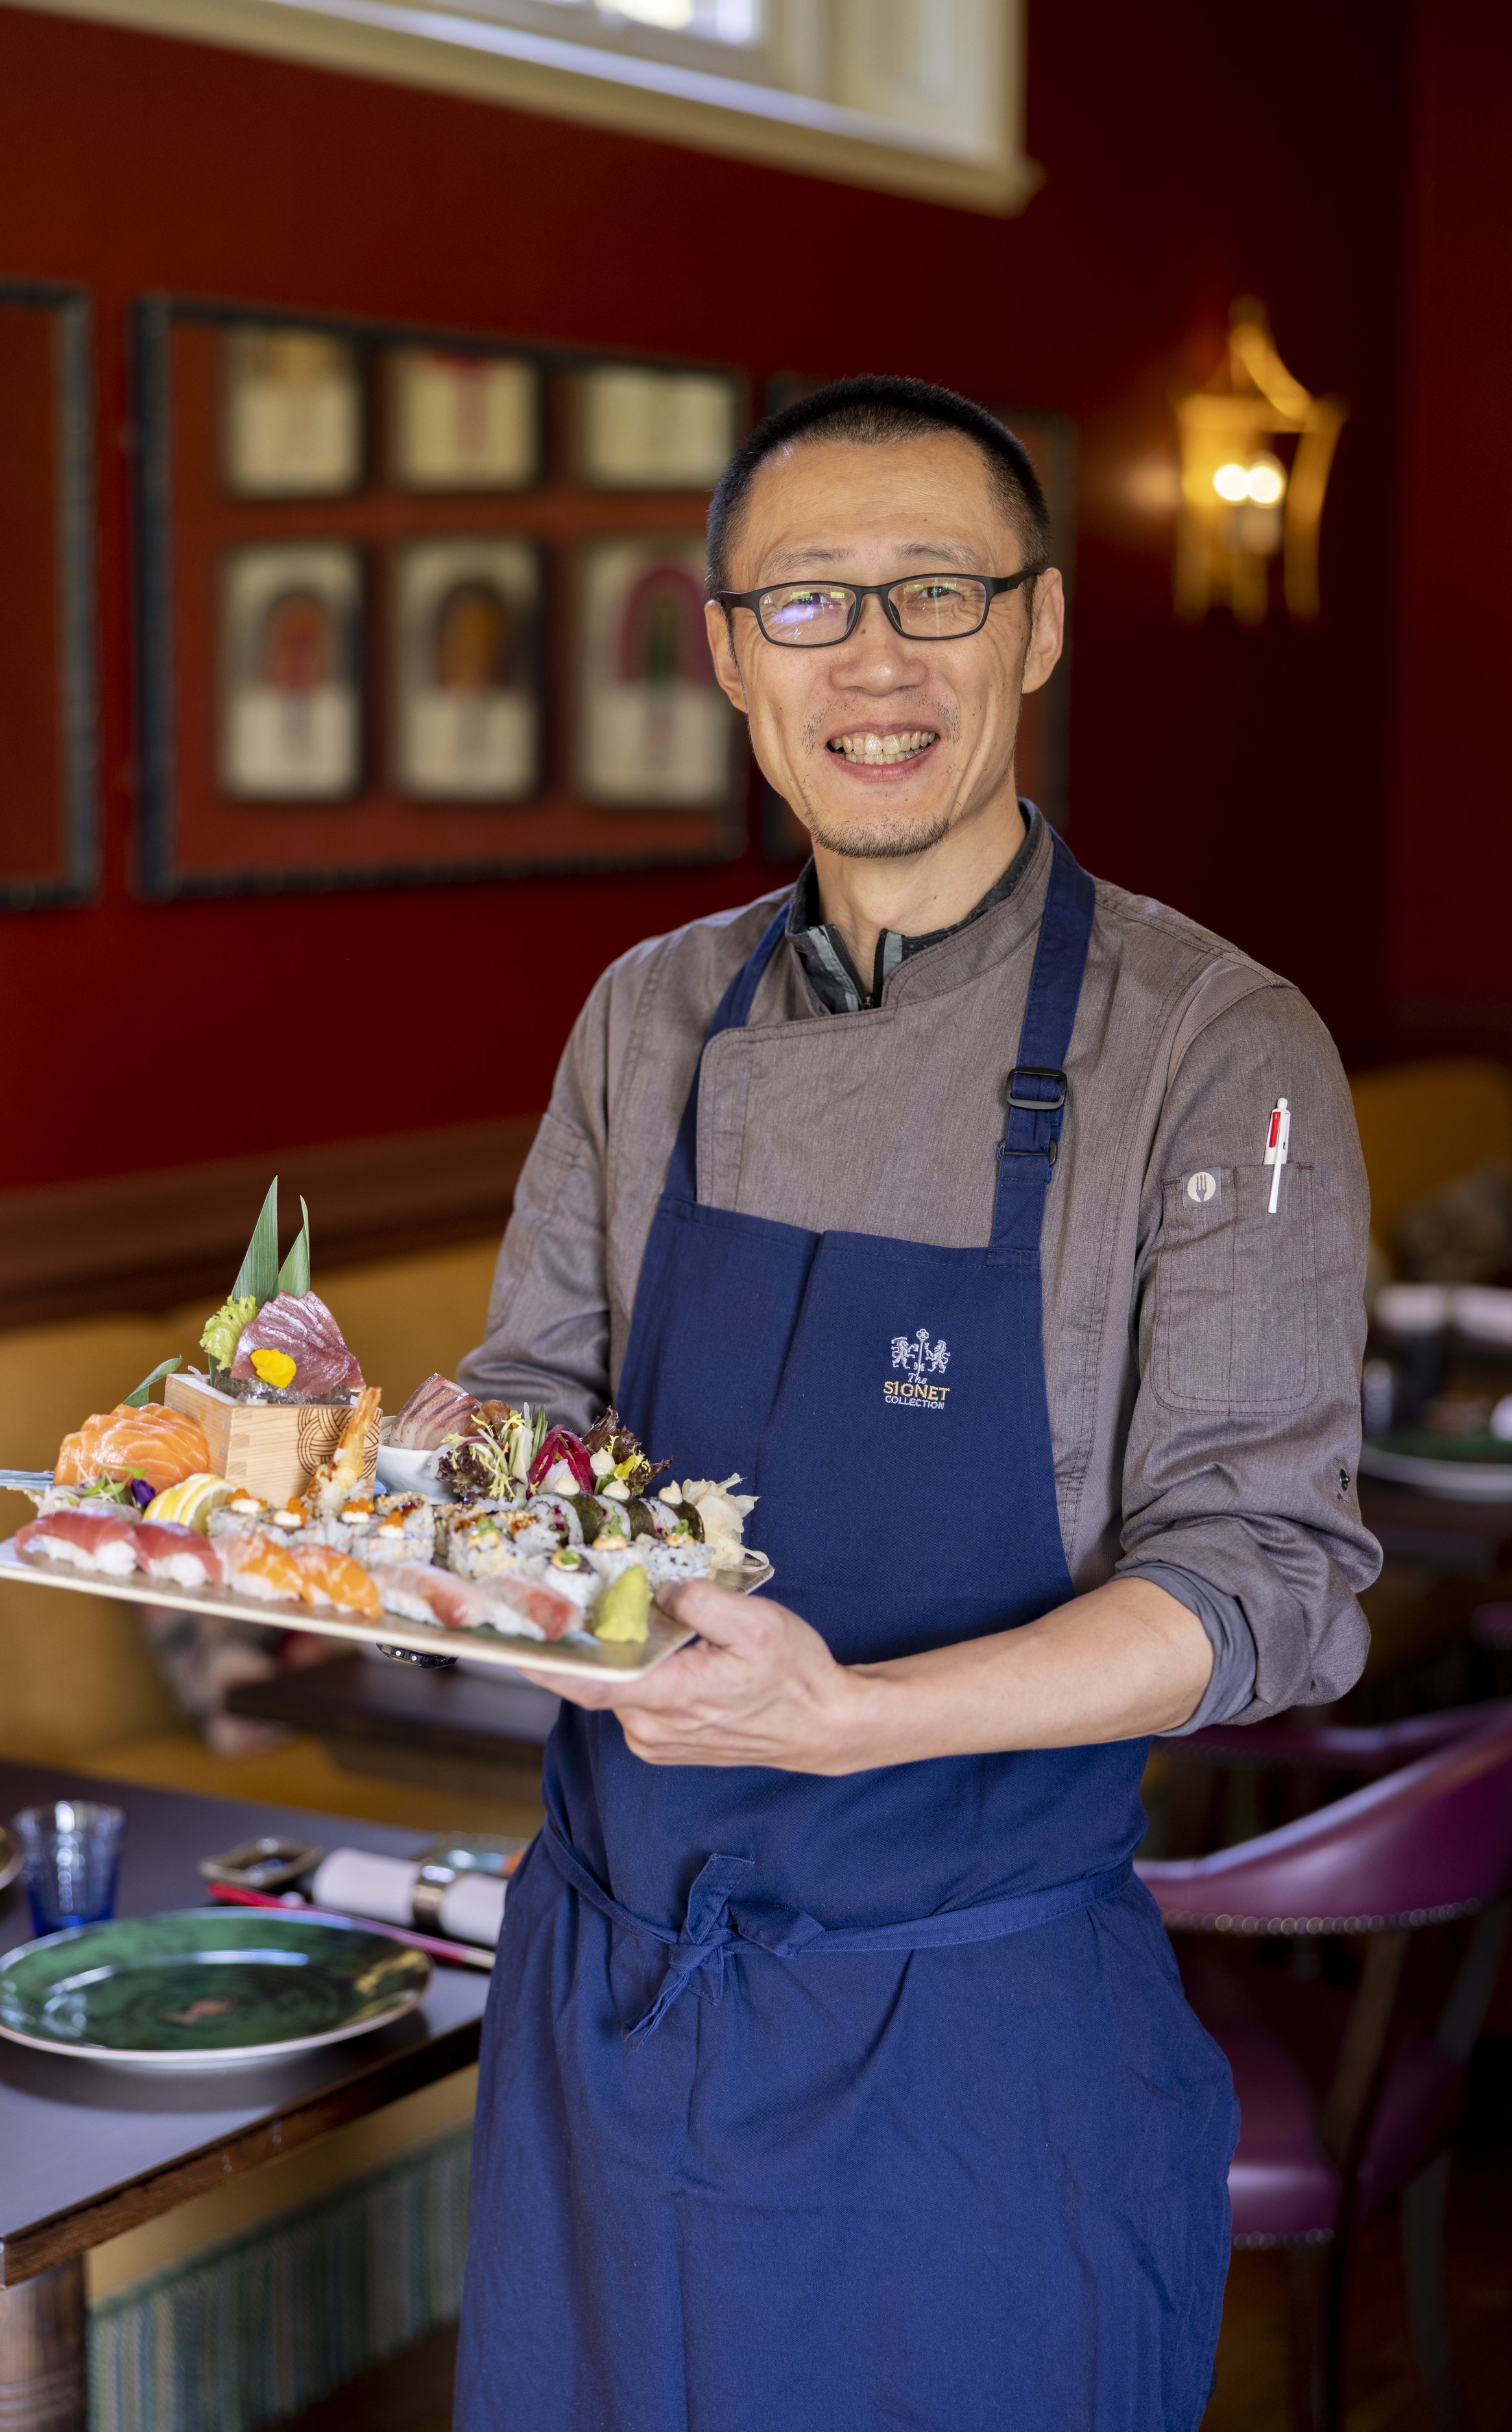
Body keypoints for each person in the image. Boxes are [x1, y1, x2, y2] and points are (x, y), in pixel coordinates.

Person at [450, 376, 1378, 2432]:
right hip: (610, 1998)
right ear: (725, 656)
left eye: (936, 593)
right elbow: (530, 1406)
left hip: (966, 2052)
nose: (873, 662)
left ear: (1038, 629)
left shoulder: (1217, 1048)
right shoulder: (648, 1016)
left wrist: (853, 1723)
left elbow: (1268, 1584)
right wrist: (378, 1497)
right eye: (806, 604)